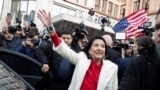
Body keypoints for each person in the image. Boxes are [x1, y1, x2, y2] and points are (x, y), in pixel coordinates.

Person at [37, 9, 118, 90]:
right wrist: (50, 28)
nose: (99, 48)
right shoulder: (81, 59)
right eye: (96, 45)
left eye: (102, 46)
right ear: (89, 50)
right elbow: (61, 47)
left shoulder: (112, 68)